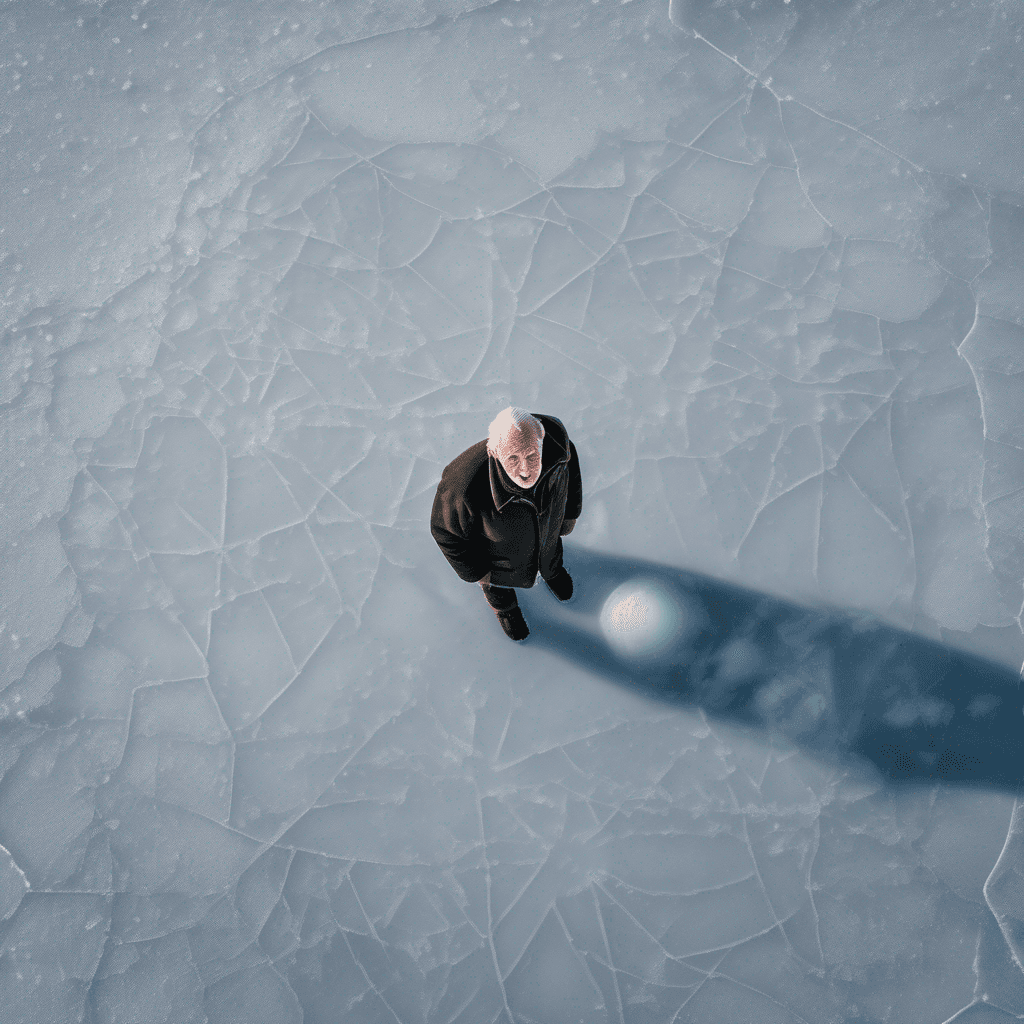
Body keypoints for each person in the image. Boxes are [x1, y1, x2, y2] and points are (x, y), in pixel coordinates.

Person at [430, 407, 583, 641]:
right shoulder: (462, 488)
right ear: (493, 452)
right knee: (497, 586)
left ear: (541, 440)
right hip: (498, 563)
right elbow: (446, 532)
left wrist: (569, 516)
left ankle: (552, 572)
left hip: (547, 535)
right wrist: (477, 572)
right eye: (513, 458)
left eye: (532, 455)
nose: (524, 470)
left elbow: (572, 479)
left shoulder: (561, 451)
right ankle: (506, 609)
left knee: (551, 551)